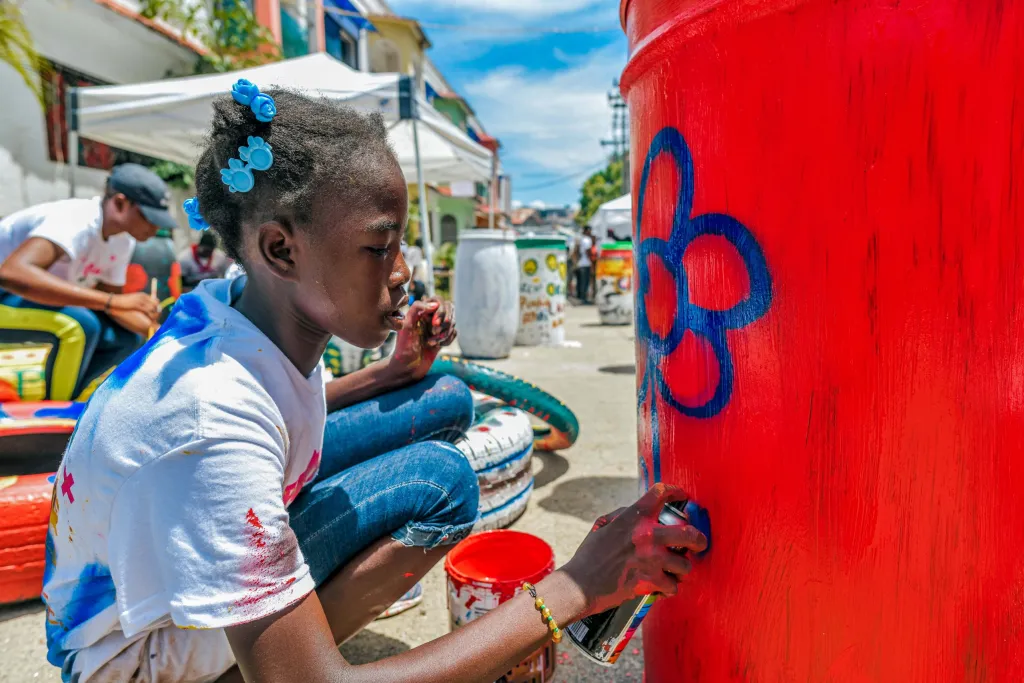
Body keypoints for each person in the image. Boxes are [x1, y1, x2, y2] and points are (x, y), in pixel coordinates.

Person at [41, 84, 706, 683]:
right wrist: (574, 586)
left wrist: (391, 373)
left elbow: (276, 415)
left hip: (172, 557)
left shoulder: (237, 311)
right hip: (138, 655)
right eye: (378, 247)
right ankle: (268, 655)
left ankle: (278, 628)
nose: (403, 271)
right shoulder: (210, 421)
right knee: (439, 495)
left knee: (443, 409)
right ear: (281, 248)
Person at [0, 164, 168, 398]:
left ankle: (69, 398)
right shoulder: (76, 220)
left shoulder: (122, 241)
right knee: (82, 324)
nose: (156, 227)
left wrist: (164, 333)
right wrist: (113, 301)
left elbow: (115, 306)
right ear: (120, 203)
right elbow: (12, 273)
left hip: (23, 300)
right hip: (5, 294)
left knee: (124, 338)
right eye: (149, 217)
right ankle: (55, 412)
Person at [574, 224, 595, 304]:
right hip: (585, 263)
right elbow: (588, 251)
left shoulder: (580, 239)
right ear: (587, 230)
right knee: (585, 282)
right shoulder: (587, 239)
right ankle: (583, 299)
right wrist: (591, 262)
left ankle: (580, 297)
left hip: (580, 263)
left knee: (580, 282)